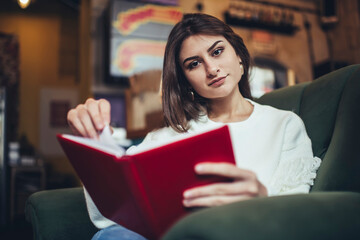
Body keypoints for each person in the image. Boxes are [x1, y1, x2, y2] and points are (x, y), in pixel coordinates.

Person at [67, 13, 321, 240]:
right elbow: (111, 216)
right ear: (186, 81)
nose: (212, 69)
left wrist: (261, 200)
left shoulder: (284, 124)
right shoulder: (170, 134)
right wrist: (95, 140)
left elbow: (297, 214)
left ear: (240, 59)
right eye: (194, 64)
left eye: (217, 51)